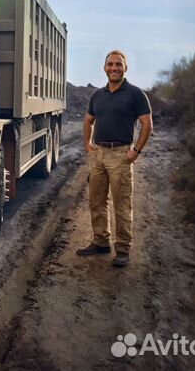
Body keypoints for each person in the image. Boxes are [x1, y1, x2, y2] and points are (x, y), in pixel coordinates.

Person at [78, 50, 153, 267]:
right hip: (98, 154)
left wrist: (136, 151)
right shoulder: (97, 95)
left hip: (121, 155)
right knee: (96, 201)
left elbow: (147, 125)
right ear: (104, 68)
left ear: (125, 68)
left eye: (118, 65)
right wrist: (88, 145)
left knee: (122, 204)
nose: (114, 68)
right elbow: (88, 121)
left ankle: (122, 249)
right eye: (110, 64)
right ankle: (101, 241)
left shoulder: (136, 94)